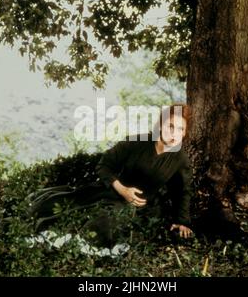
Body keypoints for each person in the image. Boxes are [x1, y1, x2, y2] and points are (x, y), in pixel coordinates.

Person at [28, 103, 194, 247]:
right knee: (57, 205)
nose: (174, 133)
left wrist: (182, 222)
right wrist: (121, 189)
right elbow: (104, 165)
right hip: (110, 191)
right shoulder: (136, 142)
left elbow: (182, 192)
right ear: (160, 125)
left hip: (140, 207)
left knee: (105, 222)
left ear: (185, 133)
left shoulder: (180, 159)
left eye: (181, 129)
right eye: (170, 126)